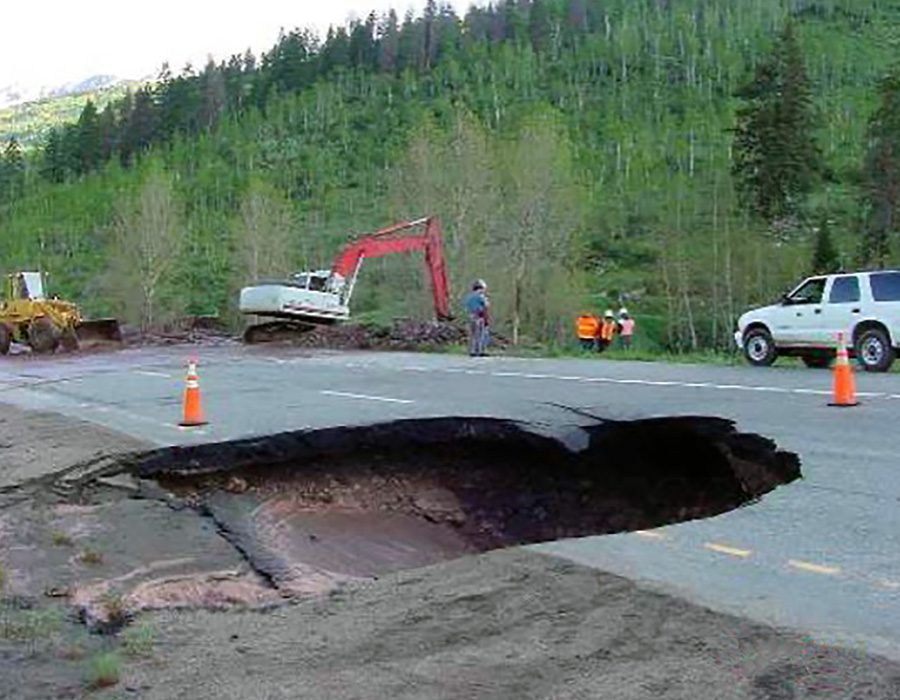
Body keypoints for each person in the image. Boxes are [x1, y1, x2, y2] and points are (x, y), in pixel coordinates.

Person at [464, 279, 489, 357]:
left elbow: (466, 306)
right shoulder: (480, 296)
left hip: (470, 316)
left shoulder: (468, 297)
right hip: (479, 317)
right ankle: (480, 351)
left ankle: (472, 350)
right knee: (481, 334)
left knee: (472, 334)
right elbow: (486, 305)